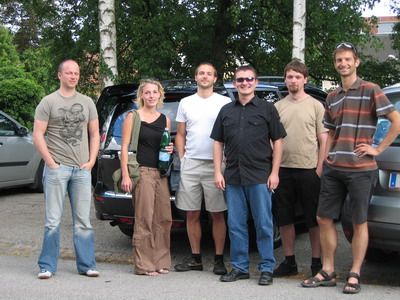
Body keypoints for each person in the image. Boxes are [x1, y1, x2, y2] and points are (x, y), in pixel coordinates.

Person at [301, 42, 400, 294]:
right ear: (335, 64)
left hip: (361, 169)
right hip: (334, 168)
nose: (343, 64)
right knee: (323, 218)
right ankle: (328, 270)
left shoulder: (371, 90)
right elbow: (330, 132)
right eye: (339, 60)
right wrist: (325, 160)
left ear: (357, 62)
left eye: (347, 59)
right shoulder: (332, 96)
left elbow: (395, 120)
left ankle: (355, 273)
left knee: (358, 222)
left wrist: (377, 148)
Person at [211, 65, 286, 285]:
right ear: (234, 83)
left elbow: (279, 142)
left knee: (264, 224)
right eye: (240, 80)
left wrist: (275, 172)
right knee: (235, 225)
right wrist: (218, 171)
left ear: (255, 82)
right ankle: (240, 267)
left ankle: (266, 268)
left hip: (260, 176)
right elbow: (218, 142)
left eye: (249, 79)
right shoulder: (226, 110)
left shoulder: (267, 109)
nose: (244, 83)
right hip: (233, 176)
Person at [33, 59, 100, 279]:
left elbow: (94, 134)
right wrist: (51, 163)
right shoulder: (48, 101)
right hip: (57, 170)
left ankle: (87, 265)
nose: (73, 76)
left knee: (83, 222)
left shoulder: (87, 101)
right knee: (52, 221)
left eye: (76, 73)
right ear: (59, 75)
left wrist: (91, 161)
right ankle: (47, 266)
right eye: (69, 73)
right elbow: (37, 135)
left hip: (81, 170)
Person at [174, 63, 231, 275]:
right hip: (191, 164)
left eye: (208, 73)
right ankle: (195, 258)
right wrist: (182, 158)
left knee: (217, 214)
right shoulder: (185, 102)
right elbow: (180, 133)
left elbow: (230, 133)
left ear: (215, 78)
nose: (204, 76)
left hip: (217, 165)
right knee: (191, 213)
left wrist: (225, 161)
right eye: (201, 73)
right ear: (195, 77)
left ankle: (218, 259)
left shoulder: (224, 102)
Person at [273, 60, 327, 278]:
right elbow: (272, 140)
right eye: (290, 76)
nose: (293, 80)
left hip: (309, 170)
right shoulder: (277, 107)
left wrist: (320, 169)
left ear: (305, 79)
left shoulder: (316, 105)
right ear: (285, 79)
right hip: (283, 170)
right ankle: (289, 262)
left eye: (297, 76)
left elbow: (324, 139)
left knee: (313, 220)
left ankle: (316, 263)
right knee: (284, 219)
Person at [120, 79, 173, 276]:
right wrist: (126, 175)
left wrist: (170, 148)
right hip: (142, 172)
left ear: (160, 95)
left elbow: (164, 147)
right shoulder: (133, 117)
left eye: (154, 92)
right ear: (141, 95)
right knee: (145, 219)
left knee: (163, 218)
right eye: (147, 92)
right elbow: (124, 148)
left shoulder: (164, 120)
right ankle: (144, 264)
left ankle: (160, 261)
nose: (151, 96)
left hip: (160, 174)